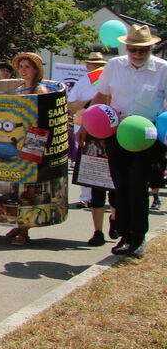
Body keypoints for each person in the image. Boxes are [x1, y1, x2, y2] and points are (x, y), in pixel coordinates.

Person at [91, 25, 167, 258]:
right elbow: (101, 95)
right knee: (120, 185)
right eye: (133, 49)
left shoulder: (163, 69)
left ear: (151, 48)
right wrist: (86, 124)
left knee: (137, 184)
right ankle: (125, 235)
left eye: (143, 49)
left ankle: (138, 237)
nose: (138, 53)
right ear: (127, 48)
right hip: (117, 131)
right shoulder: (114, 65)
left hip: (147, 133)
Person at [5, 52, 50, 246]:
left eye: (27, 67)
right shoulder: (18, 88)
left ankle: (24, 231)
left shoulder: (40, 90)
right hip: (16, 138)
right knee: (15, 184)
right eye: (20, 67)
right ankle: (18, 224)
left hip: (34, 139)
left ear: (36, 70)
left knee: (28, 185)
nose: (23, 70)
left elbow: (42, 116)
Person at [67, 51, 110, 245]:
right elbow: (70, 105)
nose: (97, 67)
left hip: (111, 133)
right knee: (88, 168)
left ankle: (114, 214)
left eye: (100, 64)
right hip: (86, 132)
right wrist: (89, 103)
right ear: (87, 66)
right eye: (93, 64)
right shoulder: (83, 82)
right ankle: (86, 198)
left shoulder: (111, 80)